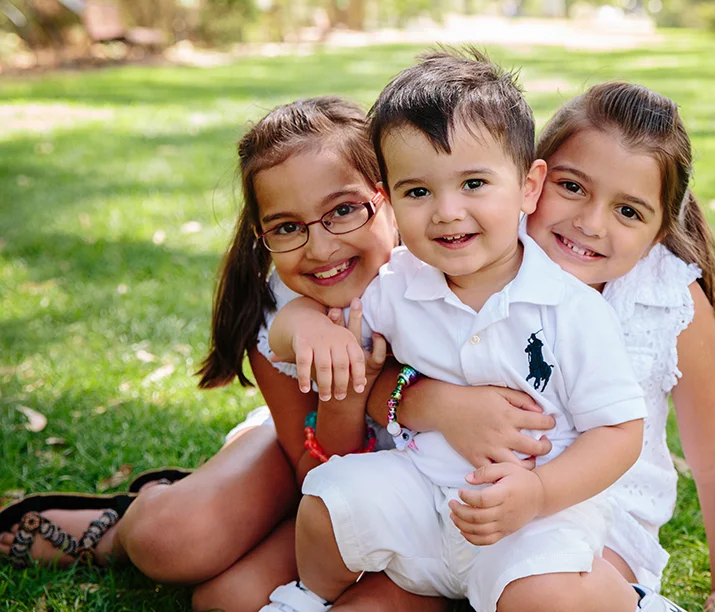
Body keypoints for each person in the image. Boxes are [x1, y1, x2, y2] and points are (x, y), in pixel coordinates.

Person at [0, 96, 453, 612]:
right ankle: (126, 526)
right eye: (287, 227)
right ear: (263, 235)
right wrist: (341, 397)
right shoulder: (276, 315)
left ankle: (266, 532)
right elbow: (314, 474)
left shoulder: (451, 273)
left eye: (344, 210)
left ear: (389, 196)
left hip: (423, 499)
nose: (320, 248)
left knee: (227, 601)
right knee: (169, 541)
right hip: (314, 463)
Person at [263, 50, 663, 612]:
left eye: (473, 183)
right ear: (389, 199)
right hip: (423, 492)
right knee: (330, 501)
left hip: (531, 515)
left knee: (540, 594)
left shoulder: (570, 309)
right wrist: (306, 326)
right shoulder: (396, 284)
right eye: (418, 192)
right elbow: (290, 333)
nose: (447, 212)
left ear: (529, 187)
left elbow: (619, 432)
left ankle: (633, 603)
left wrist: (539, 493)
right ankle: (308, 597)